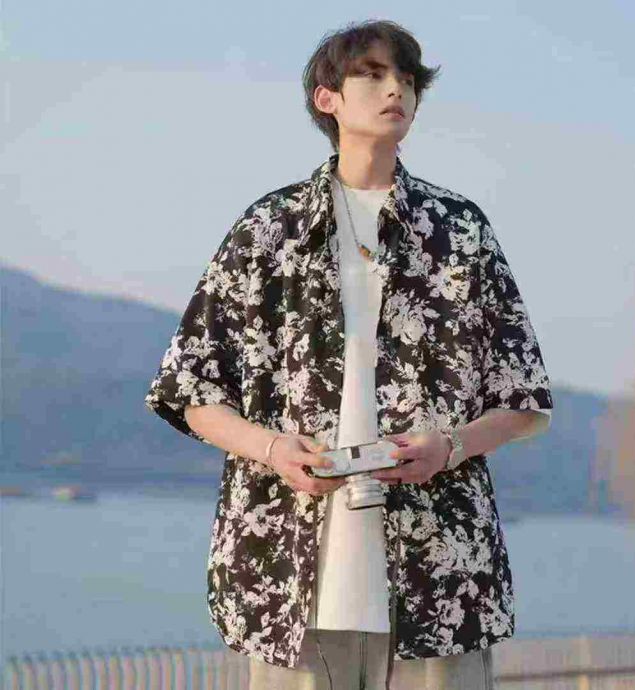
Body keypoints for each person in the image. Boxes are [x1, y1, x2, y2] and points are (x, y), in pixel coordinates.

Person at [145, 19, 553, 690]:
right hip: (287, 577)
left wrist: (449, 447)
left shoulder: (460, 231)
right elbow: (189, 389)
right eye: (373, 74)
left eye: (408, 79)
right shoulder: (268, 229)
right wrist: (275, 450)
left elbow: (523, 398)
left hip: (440, 576)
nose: (397, 89)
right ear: (326, 97)